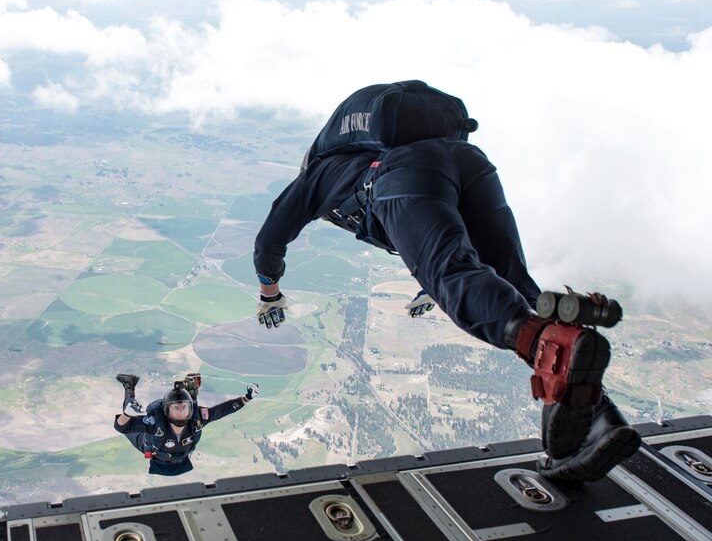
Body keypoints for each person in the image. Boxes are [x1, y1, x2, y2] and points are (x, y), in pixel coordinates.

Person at [252, 82, 640, 482]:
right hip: (470, 164)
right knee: (514, 281)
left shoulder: (315, 175)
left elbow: (268, 241)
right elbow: (430, 230)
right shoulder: (377, 153)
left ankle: (549, 347)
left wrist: (271, 293)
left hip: (407, 176)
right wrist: (427, 287)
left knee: (456, 281)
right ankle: (600, 419)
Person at [114, 373, 257, 476]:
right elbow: (122, 427)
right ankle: (129, 386)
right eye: (175, 408)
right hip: (149, 443)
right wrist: (127, 414)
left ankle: (190, 389)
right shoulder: (154, 423)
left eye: (184, 408)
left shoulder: (197, 419)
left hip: (164, 453)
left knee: (191, 405)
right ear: (166, 410)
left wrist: (246, 398)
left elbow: (222, 410)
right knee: (128, 415)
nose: (181, 412)